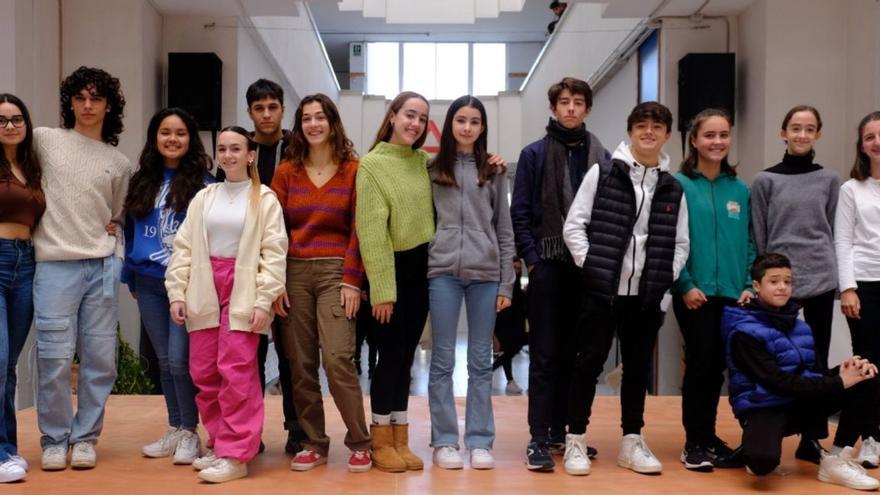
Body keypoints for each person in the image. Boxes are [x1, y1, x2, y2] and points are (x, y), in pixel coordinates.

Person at [562, 101, 689, 476]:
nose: (649, 132)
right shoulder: (602, 173)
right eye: (641, 126)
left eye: (657, 126)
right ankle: (576, 440)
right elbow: (574, 226)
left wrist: (663, 279)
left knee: (636, 371)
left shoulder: (673, 187)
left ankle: (632, 441)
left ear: (667, 134)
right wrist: (595, 267)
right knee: (587, 366)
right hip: (602, 292)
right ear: (630, 131)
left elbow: (681, 244)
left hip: (646, 296)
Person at [165, 126, 286, 483]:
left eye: (237, 148)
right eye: (222, 149)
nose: (229, 155)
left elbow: (274, 253)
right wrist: (177, 292)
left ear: (250, 155)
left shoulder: (264, 199)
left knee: (237, 372)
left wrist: (264, 300)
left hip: (244, 290)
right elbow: (184, 247)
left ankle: (237, 454)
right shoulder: (205, 197)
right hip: (204, 286)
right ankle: (219, 443)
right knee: (204, 371)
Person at [32, 66, 134, 471]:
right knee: (53, 357)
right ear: (70, 102)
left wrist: (115, 242)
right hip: (54, 266)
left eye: (96, 98)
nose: (88, 106)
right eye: (80, 98)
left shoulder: (119, 162)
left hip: (101, 267)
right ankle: (55, 439)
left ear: (109, 106)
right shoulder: (44, 140)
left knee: (100, 359)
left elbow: (117, 216)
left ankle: (87, 437)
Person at [270, 94, 371, 473]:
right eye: (306, 118)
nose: (313, 124)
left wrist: (351, 280)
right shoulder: (286, 172)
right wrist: (275, 280)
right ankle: (314, 441)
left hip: (335, 273)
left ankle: (360, 441)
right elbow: (273, 230)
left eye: (320, 117)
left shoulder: (354, 170)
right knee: (300, 364)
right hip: (293, 272)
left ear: (332, 122)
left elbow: (360, 230)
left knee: (337, 359)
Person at [510, 77, 608, 471]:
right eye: (564, 102)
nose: (570, 108)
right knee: (546, 355)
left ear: (586, 109)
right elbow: (520, 214)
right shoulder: (533, 155)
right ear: (553, 108)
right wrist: (534, 260)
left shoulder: (603, 158)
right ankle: (537, 438)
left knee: (576, 354)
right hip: (549, 266)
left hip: (589, 269)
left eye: (578, 102)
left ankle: (565, 434)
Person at [721, 253, 880, 491]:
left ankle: (836, 460)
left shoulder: (800, 326)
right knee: (762, 462)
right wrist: (838, 381)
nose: (782, 287)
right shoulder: (744, 332)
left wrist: (843, 371)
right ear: (756, 286)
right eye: (774, 281)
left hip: (798, 402)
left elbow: (809, 374)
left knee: (865, 374)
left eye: (787, 281)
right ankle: (755, 443)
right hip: (764, 405)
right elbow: (778, 382)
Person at [427, 95, 515, 471]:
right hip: (443, 272)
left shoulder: (494, 171)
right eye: (460, 120)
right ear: (450, 125)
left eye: (474, 121)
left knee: (480, 362)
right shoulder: (430, 169)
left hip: (485, 275)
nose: (467, 127)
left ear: (482, 128)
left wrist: (507, 284)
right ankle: (445, 440)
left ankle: (480, 440)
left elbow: (505, 229)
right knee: (442, 360)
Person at [122, 108, 212, 465]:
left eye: (180, 133)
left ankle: (190, 430)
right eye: (165, 132)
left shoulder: (205, 185)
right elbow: (129, 231)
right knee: (162, 359)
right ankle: (175, 427)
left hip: (185, 285)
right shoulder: (141, 180)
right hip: (146, 281)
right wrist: (129, 275)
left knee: (180, 360)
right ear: (154, 138)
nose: (172, 139)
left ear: (190, 139)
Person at [750, 104, 839, 463]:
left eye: (809, 129)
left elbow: (832, 230)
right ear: (782, 133)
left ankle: (812, 438)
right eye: (795, 128)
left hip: (820, 279)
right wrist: (764, 280)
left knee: (816, 361)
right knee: (778, 361)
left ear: (818, 134)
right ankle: (766, 429)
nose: (801, 135)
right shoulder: (764, 180)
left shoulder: (830, 179)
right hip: (778, 284)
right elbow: (759, 235)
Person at [356, 91, 434, 473]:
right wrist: (382, 291)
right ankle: (380, 439)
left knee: (405, 360)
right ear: (392, 116)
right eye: (409, 115)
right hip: (390, 274)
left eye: (421, 118)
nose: (415, 123)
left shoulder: (423, 162)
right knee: (388, 360)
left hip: (422, 274)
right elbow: (371, 234)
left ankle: (401, 437)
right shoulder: (371, 166)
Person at [672, 108, 752, 471]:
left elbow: (750, 243)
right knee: (701, 364)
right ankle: (694, 442)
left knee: (719, 367)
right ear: (694, 139)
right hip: (695, 293)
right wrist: (685, 284)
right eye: (709, 135)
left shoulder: (740, 189)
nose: (717, 142)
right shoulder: (678, 185)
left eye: (723, 135)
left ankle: (709, 436)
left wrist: (749, 283)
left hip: (734, 295)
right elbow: (669, 241)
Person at [233, 79, 304, 455]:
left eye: (272, 107)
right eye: (258, 108)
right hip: (248, 264)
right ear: (249, 112)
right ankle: (249, 431)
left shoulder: (299, 146)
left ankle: (296, 429)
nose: (266, 114)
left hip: (292, 261)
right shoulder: (240, 148)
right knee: (250, 355)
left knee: (291, 355)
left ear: (281, 109)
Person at [0, 94, 45, 482]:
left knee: (9, 366)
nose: (10, 126)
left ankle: (8, 448)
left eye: (16, 119)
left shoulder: (31, 167)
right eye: (2, 120)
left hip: (27, 263)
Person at [834, 110, 880, 467]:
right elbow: (843, 241)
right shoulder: (851, 189)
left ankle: (862, 435)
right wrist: (848, 288)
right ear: (861, 145)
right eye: (870, 136)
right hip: (864, 284)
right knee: (867, 363)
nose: (877, 142)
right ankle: (869, 439)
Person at [493, 259, 527, 395]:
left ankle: (495, 375)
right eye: (514, 268)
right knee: (509, 351)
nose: (516, 271)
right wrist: (493, 335)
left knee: (511, 351)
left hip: (517, 326)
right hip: (504, 326)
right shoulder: (502, 289)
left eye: (518, 269)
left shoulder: (519, 289)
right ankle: (509, 380)